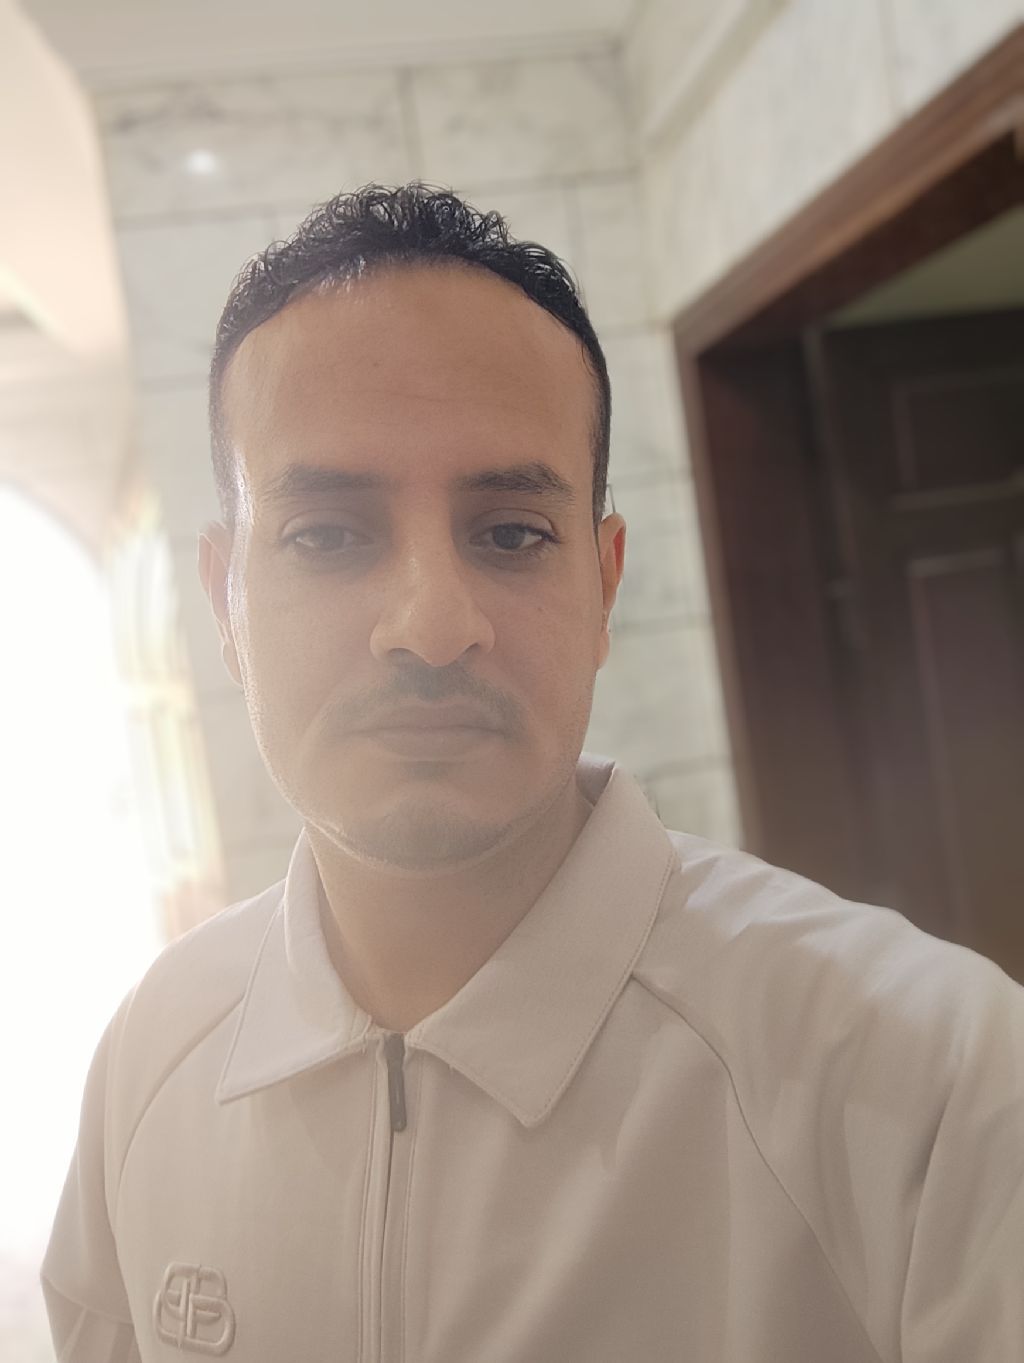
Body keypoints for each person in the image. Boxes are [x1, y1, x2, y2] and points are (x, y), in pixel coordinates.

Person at [43, 183, 1023, 1362]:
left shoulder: (931, 1077)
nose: (429, 626)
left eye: (510, 531)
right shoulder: (151, 1055)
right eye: (327, 534)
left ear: (602, 584)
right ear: (225, 599)